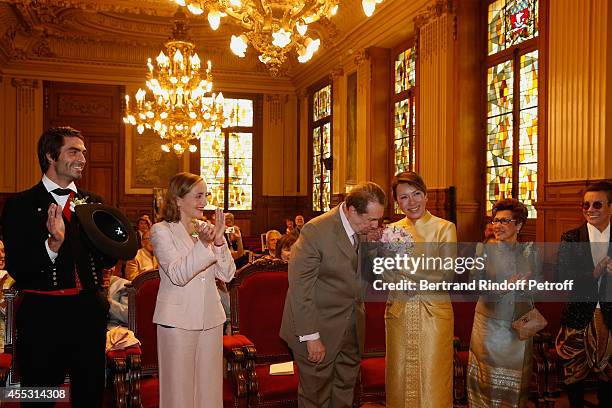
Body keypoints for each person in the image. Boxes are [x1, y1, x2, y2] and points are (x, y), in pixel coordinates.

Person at [1, 126, 116, 407]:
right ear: (51, 155)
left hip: (89, 312)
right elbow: (17, 266)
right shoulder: (20, 204)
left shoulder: (93, 203)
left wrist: (114, 243)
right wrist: (53, 245)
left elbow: (107, 260)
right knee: (39, 395)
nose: (82, 159)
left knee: (89, 394)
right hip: (43, 315)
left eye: (84, 153)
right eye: (74, 151)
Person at [280, 181, 386, 407]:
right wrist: (311, 336)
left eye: (378, 219)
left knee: (344, 392)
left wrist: (373, 248)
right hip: (318, 329)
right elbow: (300, 287)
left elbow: (362, 278)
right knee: (316, 398)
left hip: (351, 327)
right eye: (370, 219)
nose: (375, 224)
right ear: (351, 209)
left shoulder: (361, 230)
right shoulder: (316, 231)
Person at [151, 172, 235, 408]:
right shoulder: (161, 231)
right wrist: (204, 244)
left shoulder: (206, 229)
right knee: (178, 394)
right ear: (178, 199)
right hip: (178, 321)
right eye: (198, 196)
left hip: (211, 318)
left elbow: (227, 275)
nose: (205, 202)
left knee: (209, 392)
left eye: (206, 195)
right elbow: (178, 274)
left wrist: (218, 241)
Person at [384, 171, 456, 408]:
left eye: (416, 194)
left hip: (433, 312)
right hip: (399, 312)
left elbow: (445, 275)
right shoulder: (391, 231)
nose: (411, 202)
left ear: (426, 197)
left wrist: (403, 270)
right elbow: (385, 275)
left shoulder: (444, 228)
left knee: (433, 375)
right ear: (397, 202)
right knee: (399, 372)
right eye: (404, 197)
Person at [467, 198, 541, 407]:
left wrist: (528, 286)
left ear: (519, 225)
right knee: (488, 383)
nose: (497, 225)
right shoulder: (483, 250)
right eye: (495, 220)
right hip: (489, 328)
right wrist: (503, 288)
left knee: (516, 386)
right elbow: (474, 287)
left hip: (520, 328)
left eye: (504, 221)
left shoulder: (530, 250)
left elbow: (539, 288)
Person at [555, 181, 612, 407]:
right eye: (585, 204)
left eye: (597, 204)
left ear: (610, 207)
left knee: (608, 380)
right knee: (573, 374)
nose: (590, 209)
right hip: (578, 315)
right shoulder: (571, 238)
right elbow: (562, 279)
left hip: (609, 316)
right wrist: (593, 273)